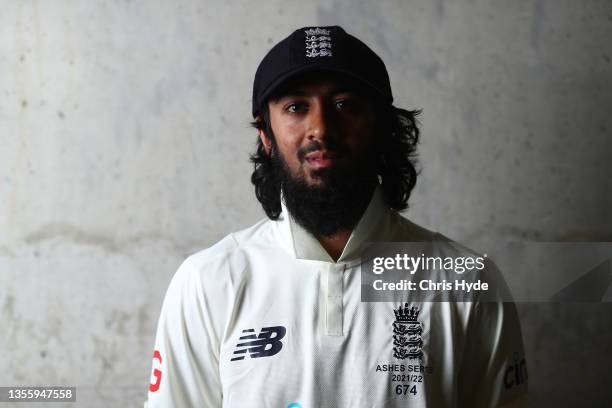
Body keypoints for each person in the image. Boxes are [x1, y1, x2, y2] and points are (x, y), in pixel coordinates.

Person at [146, 25, 528, 407]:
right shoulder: (209, 281)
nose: (321, 128)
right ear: (266, 134)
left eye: (345, 104)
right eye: (296, 107)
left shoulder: (467, 281)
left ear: (381, 125)